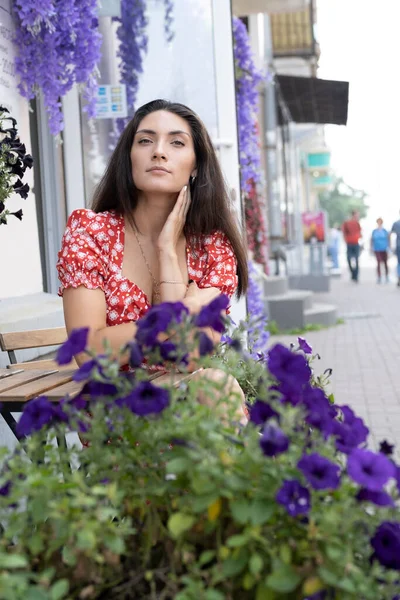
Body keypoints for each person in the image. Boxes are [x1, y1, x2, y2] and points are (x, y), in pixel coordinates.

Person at [57, 99, 248, 421]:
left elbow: (187, 357)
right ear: (128, 158)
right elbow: (88, 353)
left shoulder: (212, 247)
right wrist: (184, 309)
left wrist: (166, 251)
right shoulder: (91, 232)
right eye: (145, 140)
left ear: (197, 165)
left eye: (176, 142)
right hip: (120, 413)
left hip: (193, 406)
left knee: (213, 383)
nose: (159, 151)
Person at [342, 210, 362, 282]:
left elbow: (360, 233)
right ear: (353, 215)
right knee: (349, 259)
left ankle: (356, 276)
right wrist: (345, 240)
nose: (357, 217)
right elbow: (343, 233)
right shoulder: (347, 223)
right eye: (356, 215)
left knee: (356, 259)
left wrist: (358, 237)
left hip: (356, 243)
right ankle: (352, 273)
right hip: (349, 243)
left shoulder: (357, 223)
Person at [370, 218, 390, 284]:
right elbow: (372, 240)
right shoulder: (374, 231)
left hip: (384, 248)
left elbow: (388, 239)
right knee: (378, 262)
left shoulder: (385, 231)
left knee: (385, 263)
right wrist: (371, 248)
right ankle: (379, 277)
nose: (379, 223)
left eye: (380, 222)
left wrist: (389, 247)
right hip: (377, 249)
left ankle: (387, 276)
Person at [390, 210, 400, 287]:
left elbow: (390, 234)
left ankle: (399, 278)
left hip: (398, 245)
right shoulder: (396, 223)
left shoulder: (396, 223)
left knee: (399, 263)